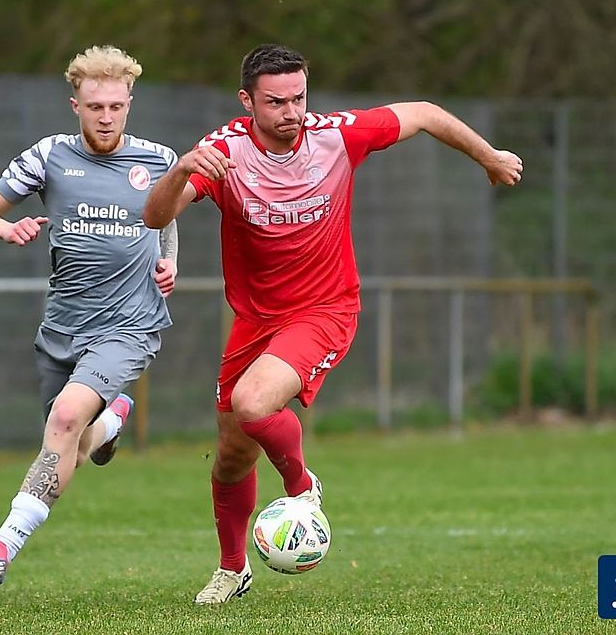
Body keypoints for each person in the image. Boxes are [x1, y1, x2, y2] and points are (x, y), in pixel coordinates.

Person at [143, 43, 523, 605]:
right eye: (276, 102)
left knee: (252, 404)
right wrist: (180, 170)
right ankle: (232, 568)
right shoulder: (222, 152)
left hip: (325, 309)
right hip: (255, 320)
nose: (291, 111)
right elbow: (156, 215)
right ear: (248, 101)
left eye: (299, 97)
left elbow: (422, 112)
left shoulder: (336, 136)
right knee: (230, 454)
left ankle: (303, 487)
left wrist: (488, 155)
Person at [0, 45, 180, 588]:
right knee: (71, 442)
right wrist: (6, 229)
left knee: (62, 421)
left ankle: (1, 547)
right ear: (74, 105)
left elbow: (168, 216)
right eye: (94, 107)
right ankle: (111, 421)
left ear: (130, 103)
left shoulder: (158, 159)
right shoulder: (48, 156)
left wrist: (170, 259)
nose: (106, 117)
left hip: (129, 326)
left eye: (115, 106)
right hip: (62, 326)